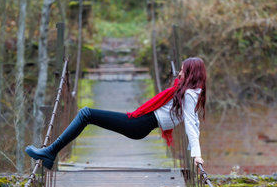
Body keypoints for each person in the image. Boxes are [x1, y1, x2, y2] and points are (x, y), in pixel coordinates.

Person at [25, 57, 206, 170]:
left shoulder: (189, 94)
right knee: (86, 114)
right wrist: (194, 149)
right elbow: (194, 120)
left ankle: (50, 152)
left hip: (140, 124)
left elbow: (191, 122)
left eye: (183, 69)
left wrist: (196, 153)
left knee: (86, 113)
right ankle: (49, 155)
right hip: (142, 124)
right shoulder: (190, 92)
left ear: (190, 72)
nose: (180, 72)